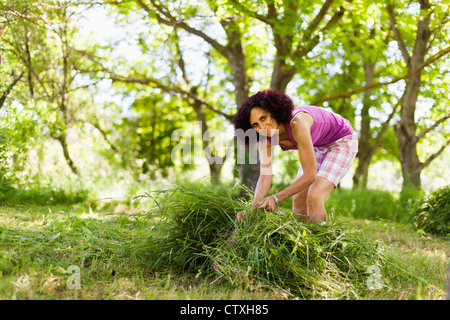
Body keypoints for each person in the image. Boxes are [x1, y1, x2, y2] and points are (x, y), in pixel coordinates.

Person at [233, 89, 358, 224]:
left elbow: (310, 176)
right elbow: (264, 177)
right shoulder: (264, 140)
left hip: (341, 141)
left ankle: (321, 240)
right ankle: (302, 241)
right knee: (298, 198)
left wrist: (276, 198)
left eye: (263, 118)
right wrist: (253, 209)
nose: (262, 126)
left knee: (314, 196)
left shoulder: (297, 122)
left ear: (274, 111)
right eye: (255, 125)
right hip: (317, 145)